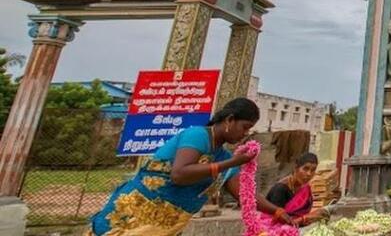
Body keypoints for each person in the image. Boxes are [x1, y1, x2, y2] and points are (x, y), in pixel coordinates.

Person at [89, 98, 294, 235]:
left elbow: (244, 194)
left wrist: (277, 212)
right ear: (229, 120)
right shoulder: (198, 135)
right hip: (136, 216)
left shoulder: (224, 156)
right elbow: (180, 174)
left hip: (166, 226)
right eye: (245, 127)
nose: (245, 134)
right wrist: (231, 163)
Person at [263, 152, 329, 227]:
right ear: (296, 168)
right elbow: (275, 223)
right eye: (305, 168)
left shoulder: (305, 188)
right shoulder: (280, 189)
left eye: (313, 170)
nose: (309, 174)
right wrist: (304, 219)